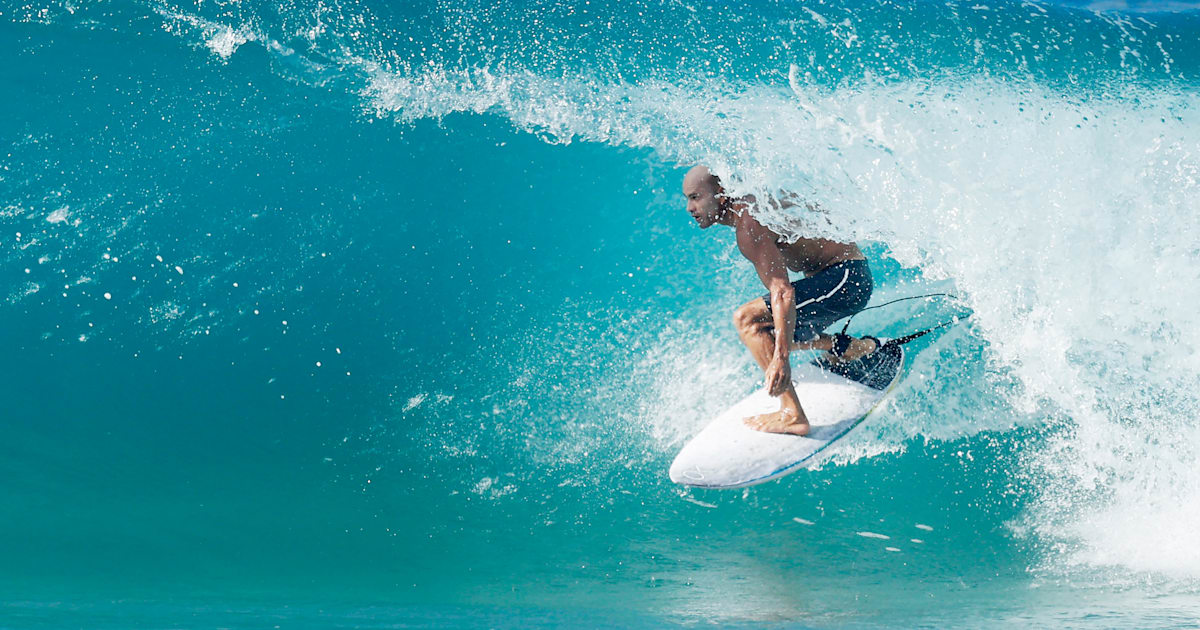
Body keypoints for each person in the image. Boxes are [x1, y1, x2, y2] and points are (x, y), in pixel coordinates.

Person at [682, 165, 880, 436]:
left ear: (721, 193)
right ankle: (848, 347)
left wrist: (782, 359)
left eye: (695, 197)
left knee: (748, 320)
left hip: (845, 279)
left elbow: (783, 291)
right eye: (687, 199)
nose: (689, 208)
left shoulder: (749, 224)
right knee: (770, 332)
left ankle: (792, 415)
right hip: (843, 277)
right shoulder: (752, 204)